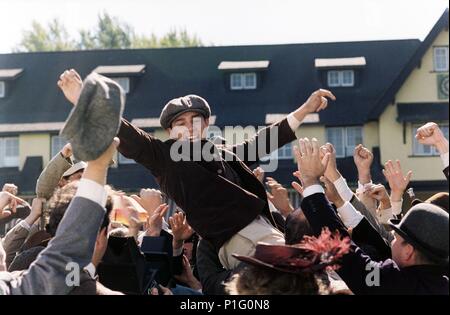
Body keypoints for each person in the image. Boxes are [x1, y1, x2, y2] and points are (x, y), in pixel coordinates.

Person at [58, 69, 336, 270]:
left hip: (265, 229)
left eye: (195, 120)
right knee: (306, 277)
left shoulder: (223, 153)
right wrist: (84, 98)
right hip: (241, 238)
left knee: (319, 273)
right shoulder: (161, 156)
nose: (189, 126)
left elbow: (265, 140)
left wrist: (306, 108)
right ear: (170, 131)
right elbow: (124, 132)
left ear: (205, 125)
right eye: (181, 122)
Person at [292, 137, 449, 295]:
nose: (391, 239)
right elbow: (373, 237)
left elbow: (345, 255)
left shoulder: (396, 284)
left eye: (396, 237)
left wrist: (311, 182)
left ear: (408, 251)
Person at [0, 137, 119, 295]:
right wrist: (67, 155)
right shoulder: (43, 223)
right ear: (62, 183)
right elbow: (44, 188)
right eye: (79, 178)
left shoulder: (102, 214)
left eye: (88, 178)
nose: (84, 183)